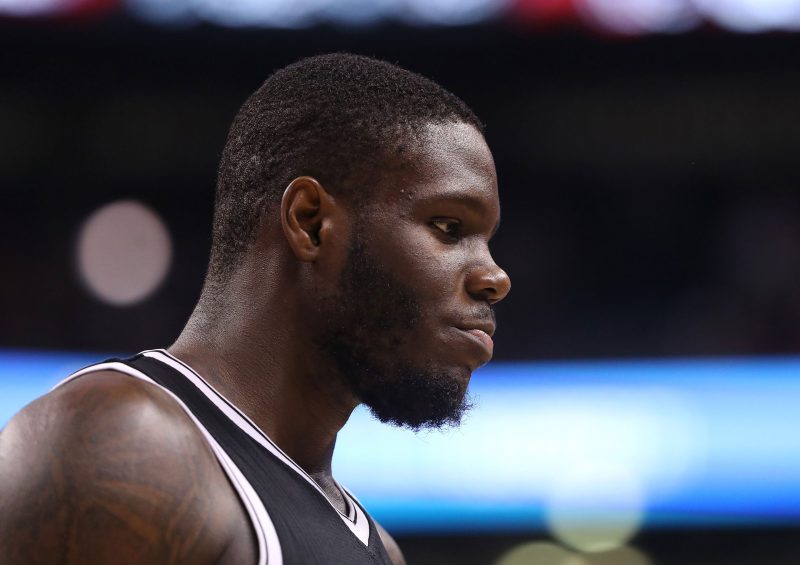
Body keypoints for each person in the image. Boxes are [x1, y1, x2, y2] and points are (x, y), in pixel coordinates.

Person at [0, 53, 510, 564]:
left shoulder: (381, 548)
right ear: (310, 222)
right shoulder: (121, 447)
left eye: (487, 240)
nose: (495, 278)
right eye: (449, 228)